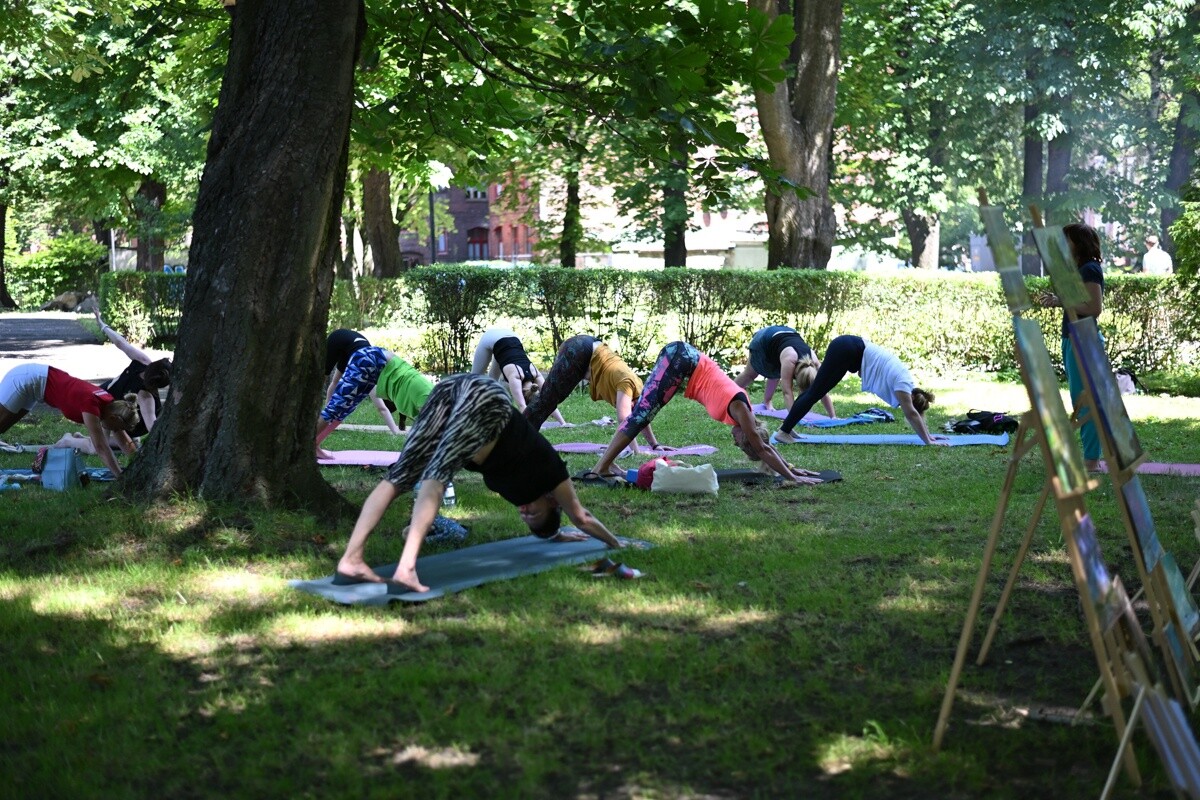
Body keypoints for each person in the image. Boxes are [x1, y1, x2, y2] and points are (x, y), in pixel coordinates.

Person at [335, 373, 621, 593]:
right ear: (551, 501)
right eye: (534, 512)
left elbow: (556, 522)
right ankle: (405, 570)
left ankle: (351, 561)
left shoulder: (523, 493)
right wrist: (615, 543)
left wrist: (554, 535)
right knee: (435, 477)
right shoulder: (551, 472)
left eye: (526, 518)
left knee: (399, 478)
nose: (524, 512)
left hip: (450, 391)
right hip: (486, 399)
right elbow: (581, 517)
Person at [588, 341, 822, 483]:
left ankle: (604, 465)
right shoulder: (742, 411)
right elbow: (763, 447)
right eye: (742, 444)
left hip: (681, 360)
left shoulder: (742, 415)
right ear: (748, 435)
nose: (735, 443)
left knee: (641, 414)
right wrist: (793, 477)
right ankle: (602, 467)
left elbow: (764, 447)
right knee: (640, 416)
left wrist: (790, 467)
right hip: (681, 359)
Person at [770, 336, 948, 446]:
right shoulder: (903, 386)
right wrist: (928, 441)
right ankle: (783, 432)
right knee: (815, 392)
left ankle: (788, 429)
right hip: (847, 349)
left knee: (814, 392)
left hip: (847, 348)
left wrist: (929, 436)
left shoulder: (907, 384)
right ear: (911, 399)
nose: (902, 406)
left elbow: (914, 413)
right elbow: (912, 414)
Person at [1036, 222, 1105, 471]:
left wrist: (1062, 302)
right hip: (1073, 339)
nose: (1063, 245)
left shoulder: (1089, 269)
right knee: (1079, 398)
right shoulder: (1078, 268)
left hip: (1084, 340)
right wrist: (1059, 300)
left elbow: (1094, 308)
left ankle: (1091, 460)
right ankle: (1090, 458)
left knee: (1085, 401)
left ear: (1078, 242)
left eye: (1067, 240)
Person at [523, 334, 662, 450]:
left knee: (548, 400)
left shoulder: (638, 389)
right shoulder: (627, 384)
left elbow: (640, 417)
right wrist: (636, 451)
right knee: (546, 401)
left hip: (585, 349)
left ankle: (520, 438)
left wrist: (655, 445)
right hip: (579, 350)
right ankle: (515, 438)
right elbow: (624, 419)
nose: (632, 410)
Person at [0, 363, 139, 476]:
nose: (115, 430)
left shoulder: (112, 405)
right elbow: (101, 447)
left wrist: (137, 462)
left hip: (36, 384)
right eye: (116, 427)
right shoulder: (91, 405)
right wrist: (120, 475)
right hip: (27, 379)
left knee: (2, 427)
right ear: (113, 418)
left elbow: (124, 440)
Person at [315, 345, 433, 457]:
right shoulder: (430, 399)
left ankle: (313, 446)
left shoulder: (436, 403)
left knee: (345, 409)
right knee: (336, 407)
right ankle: (303, 447)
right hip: (372, 360)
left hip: (376, 366)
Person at [93, 308, 172, 438]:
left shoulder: (146, 397)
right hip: (109, 397)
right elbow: (120, 342)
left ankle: (69, 441)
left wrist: (102, 325)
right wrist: (102, 325)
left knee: (97, 445)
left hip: (125, 421)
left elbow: (151, 425)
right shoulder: (142, 361)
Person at [734, 325, 836, 417]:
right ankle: (726, 394)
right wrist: (793, 419)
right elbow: (787, 392)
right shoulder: (790, 359)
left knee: (775, 372)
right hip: (764, 339)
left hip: (785, 335)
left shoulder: (815, 362)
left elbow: (823, 391)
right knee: (750, 374)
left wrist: (833, 416)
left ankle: (767, 402)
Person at [471, 327, 567, 424]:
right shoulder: (515, 377)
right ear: (524, 394)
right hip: (491, 337)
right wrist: (533, 426)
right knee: (473, 380)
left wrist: (563, 423)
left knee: (492, 383)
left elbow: (549, 400)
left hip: (512, 336)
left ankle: (486, 413)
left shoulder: (535, 373)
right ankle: (466, 410)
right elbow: (522, 406)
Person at [323, 329, 404, 434]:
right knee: (325, 375)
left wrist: (395, 431)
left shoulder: (371, 374)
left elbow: (382, 408)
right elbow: (382, 408)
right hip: (337, 339)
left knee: (335, 382)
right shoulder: (368, 372)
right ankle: (324, 416)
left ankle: (325, 417)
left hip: (353, 348)